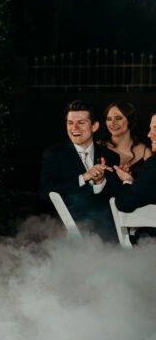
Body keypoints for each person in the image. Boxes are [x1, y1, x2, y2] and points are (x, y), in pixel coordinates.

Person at [39, 100, 122, 240]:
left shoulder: (111, 156)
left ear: (94, 126)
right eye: (70, 123)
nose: (74, 128)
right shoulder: (54, 154)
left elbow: (116, 198)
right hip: (67, 232)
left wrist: (100, 183)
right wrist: (83, 178)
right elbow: (45, 193)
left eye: (81, 123)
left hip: (106, 232)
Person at [113, 112, 156, 215]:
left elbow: (123, 203)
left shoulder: (153, 164)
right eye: (151, 129)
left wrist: (127, 181)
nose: (149, 134)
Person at [96, 101, 151, 178]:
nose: (112, 123)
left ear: (130, 120)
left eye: (118, 118)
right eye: (109, 119)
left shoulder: (146, 152)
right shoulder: (97, 146)